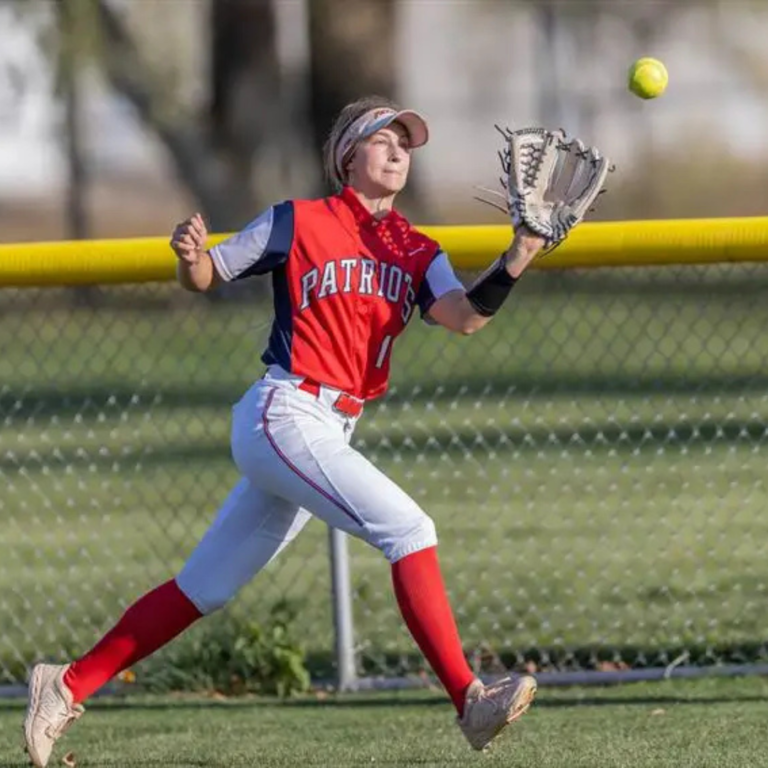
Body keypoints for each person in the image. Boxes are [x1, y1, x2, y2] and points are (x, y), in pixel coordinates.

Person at [23, 95, 549, 767]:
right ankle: (468, 699)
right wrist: (191, 257)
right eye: (383, 140)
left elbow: (464, 317)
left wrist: (518, 257)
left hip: (331, 427)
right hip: (285, 411)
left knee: (204, 587)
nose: (399, 151)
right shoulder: (296, 221)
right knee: (409, 529)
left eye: (406, 143)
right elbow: (210, 274)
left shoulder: (415, 248)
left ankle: (64, 685)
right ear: (346, 157)